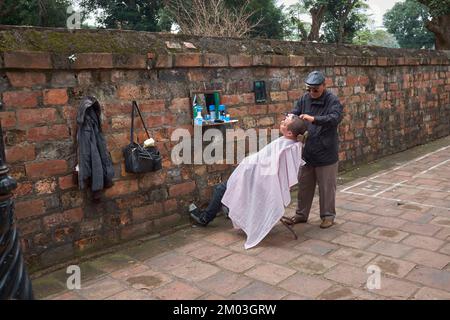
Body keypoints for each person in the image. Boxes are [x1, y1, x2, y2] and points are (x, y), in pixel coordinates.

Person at [190, 116, 307, 248]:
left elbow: (266, 164)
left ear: (290, 133)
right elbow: (266, 161)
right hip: (262, 179)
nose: (281, 122)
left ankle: (205, 218)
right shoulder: (291, 144)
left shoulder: (284, 145)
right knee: (227, 187)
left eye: (285, 122)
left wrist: (247, 163)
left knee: (221, 189)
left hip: (260, 181)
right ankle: (225, 210)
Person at [285, 70, 343, 229]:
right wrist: (289, 118)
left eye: (315, 89)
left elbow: (334, 118)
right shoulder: (304, 99)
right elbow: (295, 112)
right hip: (308, 151)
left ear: (324, 86)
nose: (312, 92)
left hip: (326, 151)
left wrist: (314, 119)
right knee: (304, 186)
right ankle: (301, 215)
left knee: (326, 187)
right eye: (309, 89)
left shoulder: (333, 101)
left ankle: (328, 216)